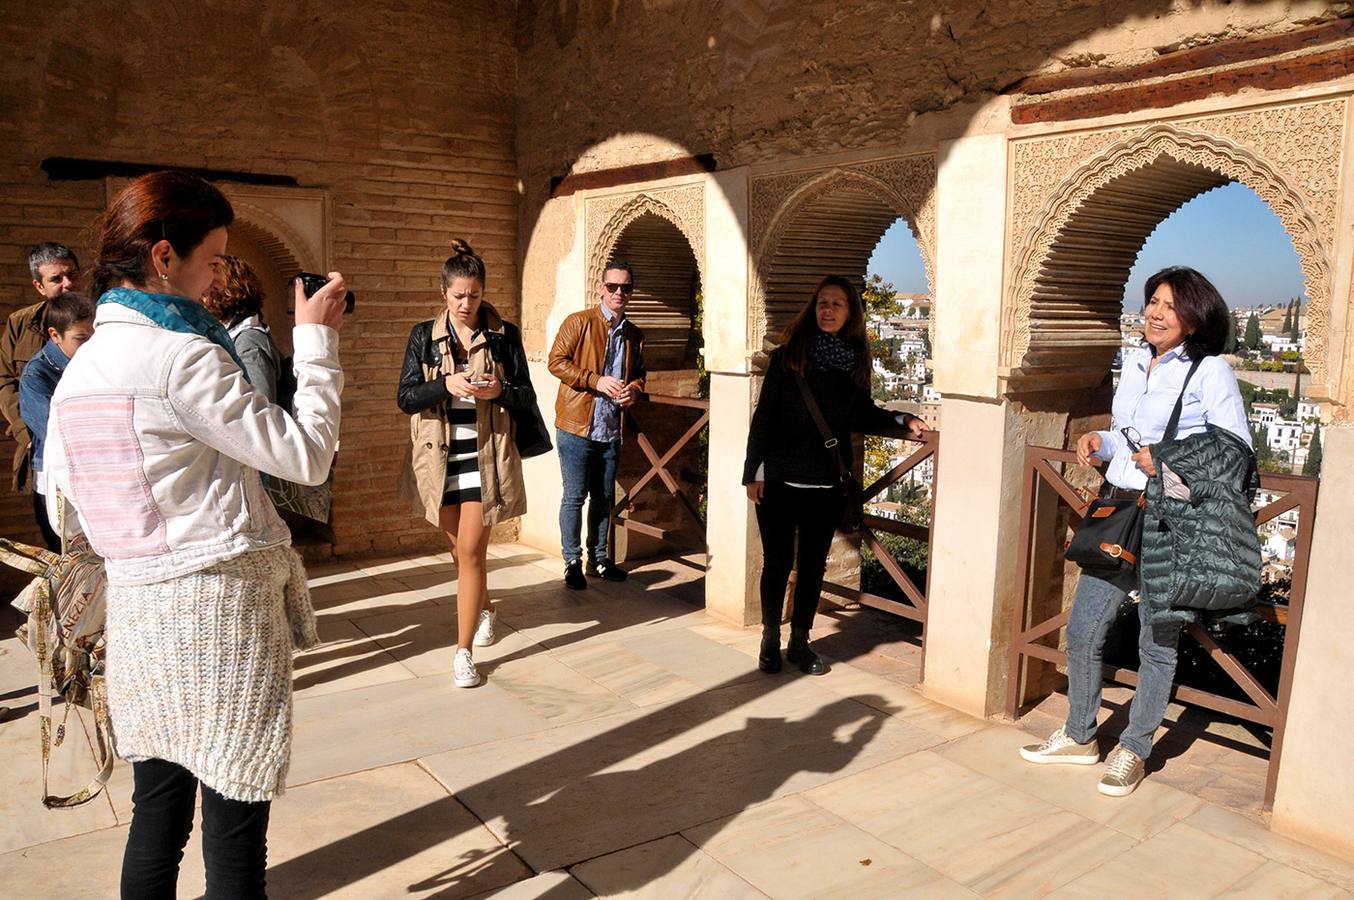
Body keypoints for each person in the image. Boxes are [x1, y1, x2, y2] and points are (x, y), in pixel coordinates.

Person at [43, 170, 347, 898]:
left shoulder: (80, 374)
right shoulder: (183, 357)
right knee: (234, 826)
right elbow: (305, 459)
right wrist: (315, 345)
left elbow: (64, 513)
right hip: (221, 620)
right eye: (211, 257)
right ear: (164, 257)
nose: (217, 276)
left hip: (144, 617)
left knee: (157, 814)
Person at [1020, 266, 1251, 797]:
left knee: (1157, 641)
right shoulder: (1135, 363)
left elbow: (1234, 452)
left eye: (1169, 305)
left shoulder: (1210, 371)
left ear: (1195, 317)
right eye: (1152, 301)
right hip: (1121, 512)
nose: (1155, 312)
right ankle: (1081, 736)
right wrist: (1101, 440)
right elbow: (1130, 435)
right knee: (1082, 630)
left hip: (1172, 521)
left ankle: (1134, 749)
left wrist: (1166, 460)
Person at [743, 276, 928, 676]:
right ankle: (770, 639)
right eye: (822, 302)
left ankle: (800, 642)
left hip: (826, 484)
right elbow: (763, 418)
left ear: (850, 313)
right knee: (776, 563)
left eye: (837, 304)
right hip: (779, 481)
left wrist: (900, 419)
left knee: (812, 566)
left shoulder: (854, 361)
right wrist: (753, 472)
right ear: (813, 308)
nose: (827, 310)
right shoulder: (788, 357)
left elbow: (862, 413)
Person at [397, 239, 535, 689]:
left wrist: (500, 392)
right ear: (443, 293)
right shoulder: (423, 335)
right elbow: (405, 397)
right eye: (458, 295)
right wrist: (446, 384)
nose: (466, 303)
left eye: (473, 295)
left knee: (473, 552)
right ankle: (487, 609)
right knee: (459, 552)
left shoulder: (503, 335)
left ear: (483, 292)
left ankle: (463, 653)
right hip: (440, 460)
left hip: (487, 457)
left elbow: (525, 396)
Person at [547, 262, 645, 590]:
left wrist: (635, 390)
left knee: (604, 496)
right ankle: (572, 562)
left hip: (611, 427)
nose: (620, 293)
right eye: (613, 286)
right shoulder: (579, 322)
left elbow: (640, 373)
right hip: (576, 425)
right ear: (601, 288)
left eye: (626, 288)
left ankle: (599, 559)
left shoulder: (633, 334)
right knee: (575, 496)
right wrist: (595, 380)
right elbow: (556, 362)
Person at [0, 242, 79, 521]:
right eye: (56, 279)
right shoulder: (21, 323)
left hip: (86, 445)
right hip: (41, 449)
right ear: (39, 286)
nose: (67, 284)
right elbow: (6, 380)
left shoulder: (98, 319)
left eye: (72, 275)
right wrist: (26, 429)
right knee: (53, 529)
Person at [18, 289, 95, 550]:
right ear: (55, 335)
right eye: (81, 338)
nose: (90, 346)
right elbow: (61, 434)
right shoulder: (35, 375)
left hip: (95, 480)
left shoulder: (93, 364)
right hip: (58, 486)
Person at [202, 255, 283, 402]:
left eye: (213, 286)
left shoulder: (249, 343)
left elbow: (261, 411)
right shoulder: (228, 336)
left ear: (230, 292)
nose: (204, 294)